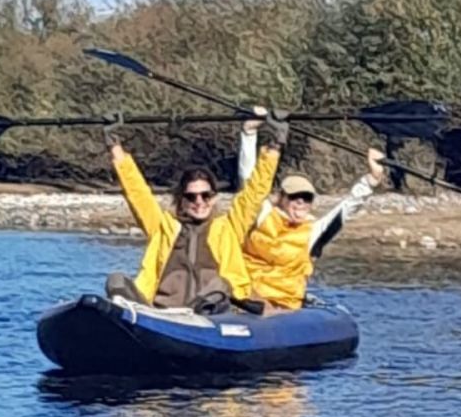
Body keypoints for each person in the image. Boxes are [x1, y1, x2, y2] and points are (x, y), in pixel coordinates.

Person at [104, 111, 287, 311]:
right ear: (181, 200)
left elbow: (255, 192)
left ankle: (198, 316)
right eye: (191, 197)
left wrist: (275, 145)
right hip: (163, 313)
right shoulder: (163, 228)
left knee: (220, 286)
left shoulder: (229, 227)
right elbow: (136, 192)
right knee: (116, 281)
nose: (199, 202)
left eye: (205, 195)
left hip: (210, 312)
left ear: (213, 197)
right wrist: (114, 145)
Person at [238, 116, 385, 310]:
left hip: (284, 305)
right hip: (246, 299)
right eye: (294, 197)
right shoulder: (263, 214)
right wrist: (249, 133)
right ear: (282, 198)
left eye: (306, 198)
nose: (300, 202)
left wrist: (370, 180)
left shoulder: (313, 230)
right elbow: (250, 183)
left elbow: (346, 209)